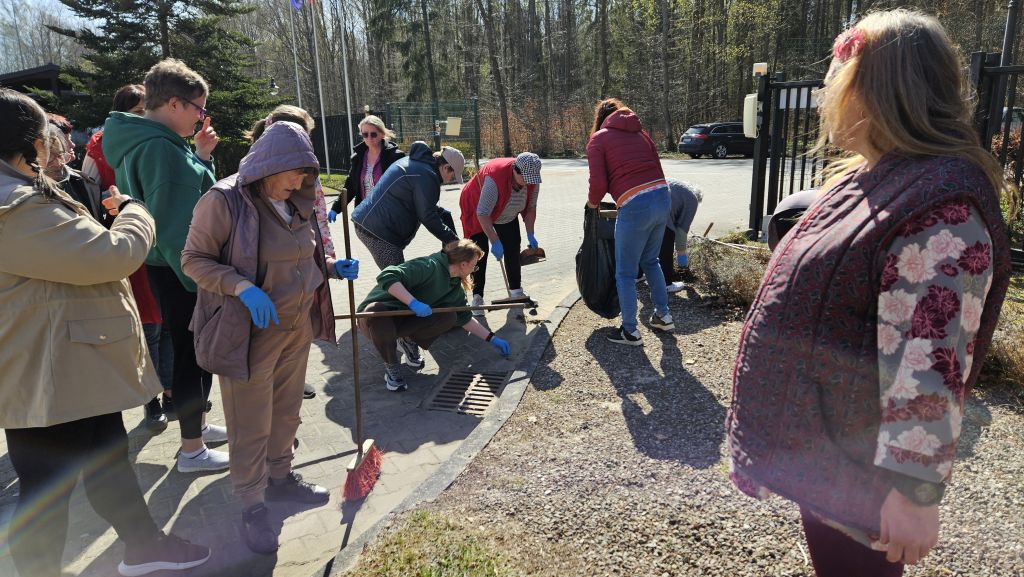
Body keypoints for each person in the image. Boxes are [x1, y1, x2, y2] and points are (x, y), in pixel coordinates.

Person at [727, 11, 1012, 577]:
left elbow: (933, 354)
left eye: (838, 78)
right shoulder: (879, 176)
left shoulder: (942, 208)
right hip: (832, 454)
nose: (828, 94)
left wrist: (914, 494)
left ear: (872, 88)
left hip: (866, 475)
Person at [0, 88, 211, 577]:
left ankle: (144, 546)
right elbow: (110, 255)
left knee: (107, 459)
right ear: (31, 142)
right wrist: (138, 211)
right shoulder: (14, 206)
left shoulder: (19, 195)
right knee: (46, 488)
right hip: (50, 368)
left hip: (65, 362)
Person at [181, 120, 358, 554]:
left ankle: (281, 479)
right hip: (249, 332)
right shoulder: (224, 201)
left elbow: (302, 254)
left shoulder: (294, 201)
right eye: (294, 173)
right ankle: (252, 504)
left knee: (287, 412)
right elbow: (192, 260)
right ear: (269, 166)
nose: (301, 183)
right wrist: (240, 286)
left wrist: (330, 269)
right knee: (249, 424)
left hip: (295, 328)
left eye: (306, 174)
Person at [102, 58, 228, 472]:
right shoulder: (160, 148)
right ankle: (192, 450)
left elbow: (183, 193)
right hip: (185, 271)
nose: (201, 116)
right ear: (174, 104)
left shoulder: (151, 140)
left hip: (167, 267)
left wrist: (201, 156)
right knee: (195, 355)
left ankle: (198, 428)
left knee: (192, 352)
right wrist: (205, 282)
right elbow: (176, 224)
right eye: (199, 108)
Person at [84, 83, 173, 430]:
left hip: (160, 240)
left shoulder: (160, 139)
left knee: (166, 324)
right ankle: (149, 400)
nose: (144, 117)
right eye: (138, 112)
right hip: (128, 244)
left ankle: (170, 391)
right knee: (147, 327)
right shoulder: (99, 146)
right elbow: (89, 198)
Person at [357, 239, 511, 391]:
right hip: (373, 322)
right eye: (474, 265)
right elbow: (387, 275)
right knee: (377, 311)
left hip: (403, 321)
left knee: (448, 316)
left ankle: (407, 339)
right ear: (463, 264)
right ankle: (391, 366)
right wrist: (413, 302)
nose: (474, 269)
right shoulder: (429, 266)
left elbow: (464, 318)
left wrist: (492, 338)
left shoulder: (454, 286)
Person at [586, 98, 674, 345]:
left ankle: (630, 330)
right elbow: (657, 167)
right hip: (662, 197)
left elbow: (599, 184)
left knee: (624, 272)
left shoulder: (599, 139)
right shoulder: (642, 134)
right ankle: (663, 316)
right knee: (651, 260)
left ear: (600, 119)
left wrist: (592, 203)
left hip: (635, 204)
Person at [351, 141, 464, 268]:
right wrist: (454, 242)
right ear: (445, 167)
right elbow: (427, 215)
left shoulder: (419, 166)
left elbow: (420, 204)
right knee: (397, 279)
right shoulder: (427, 176)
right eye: (452, 176)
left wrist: (444, 218)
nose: (450, 180)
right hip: (377, 231)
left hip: (372, 224)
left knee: (397, 279)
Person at [459, 152, 542, 315]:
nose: (528, 184)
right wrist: (494, 241)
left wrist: (531, 233)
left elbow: (531, 208)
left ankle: (516, 291)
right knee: (478, 252)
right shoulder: (494, 179)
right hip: (477, 207)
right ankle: (477, 297)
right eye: (525, 179)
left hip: (507, 211)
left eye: (531, 179)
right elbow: (482, 213)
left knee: (512, 246)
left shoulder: (532, 179)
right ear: (515, 171)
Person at [328, 114, 404, 219]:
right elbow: (350, 186)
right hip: (365, 215)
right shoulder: (357, 158)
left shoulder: (395, 156)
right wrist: (335, 208)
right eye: (365, 134)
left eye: (373, 134)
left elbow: (404, 187)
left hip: (390, 215)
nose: (369, 138)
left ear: (382, 134)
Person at [640, 178, 702, 293]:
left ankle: (638, 275)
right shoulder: (693, 200)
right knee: (666, 247)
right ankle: (666, 284)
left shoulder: (676, 183)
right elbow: (681, 231)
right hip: (662, 213)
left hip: (642, 206)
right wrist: (681, 256)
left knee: (643, 244)